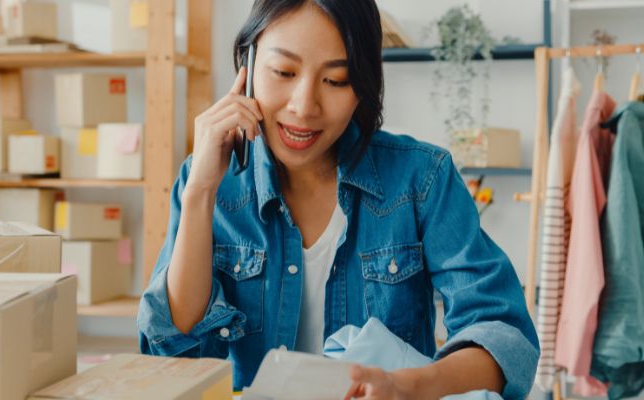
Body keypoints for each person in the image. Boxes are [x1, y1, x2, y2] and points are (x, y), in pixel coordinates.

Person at [137, 1, 539, 398]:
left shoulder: (422, 179)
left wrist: (405, 387)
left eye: (337, 80)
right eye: (283, 72)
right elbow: (173, 351)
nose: (304, 106)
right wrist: (200, 193)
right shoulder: (209, 180)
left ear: (363, 86)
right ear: (248, 64)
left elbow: (504, 339)